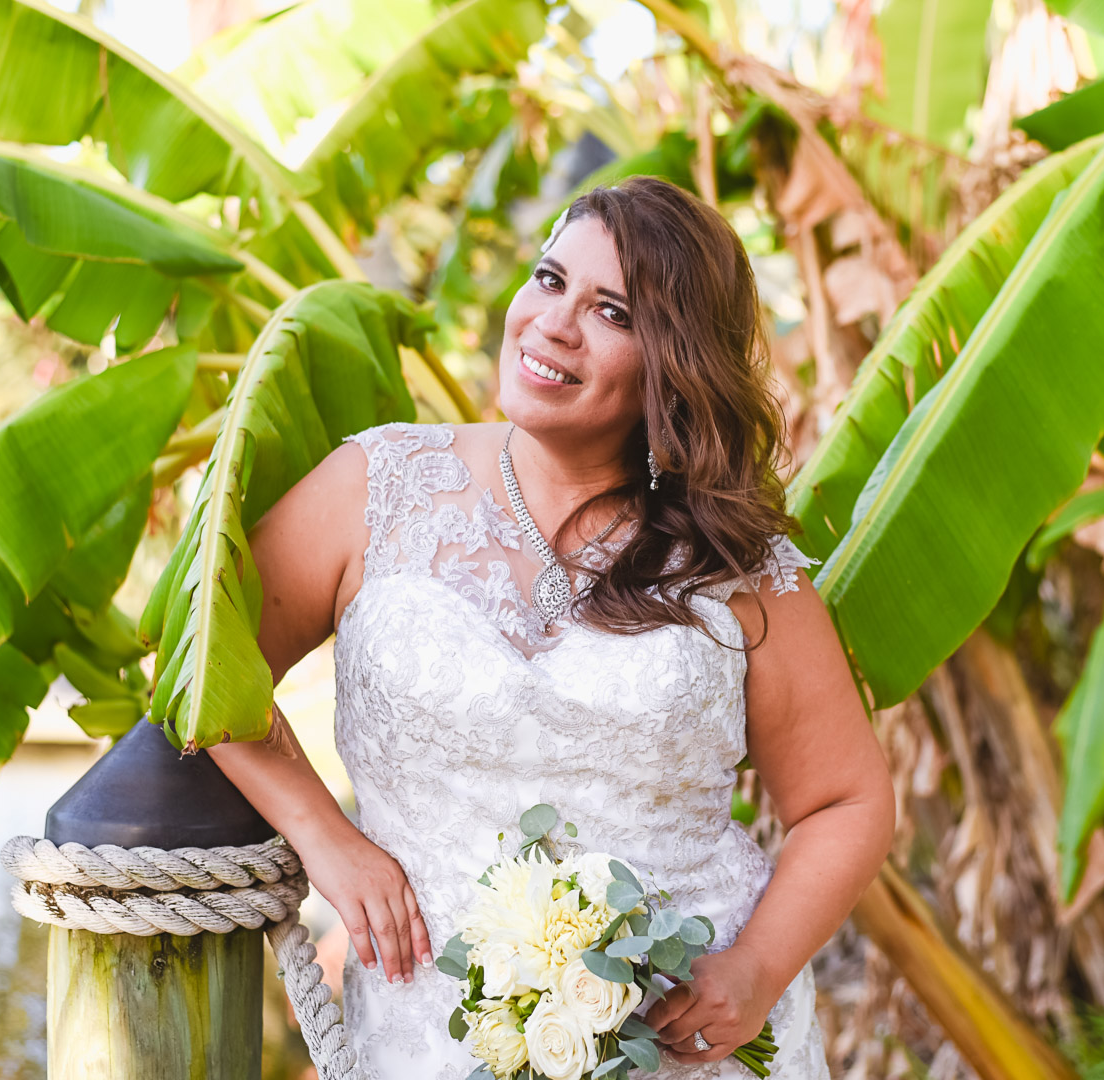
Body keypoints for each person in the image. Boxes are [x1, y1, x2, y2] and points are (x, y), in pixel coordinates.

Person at [208, 178, 894, 1079]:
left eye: (610, 311)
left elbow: (845, 801)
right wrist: (326, 839)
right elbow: (208, 671)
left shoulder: (737, 560)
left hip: (689, 1047)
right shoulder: (375, 486)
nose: (552, 323)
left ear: (674, 364)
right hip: (427, 1033)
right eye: (548, 279)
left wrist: (757, 970)